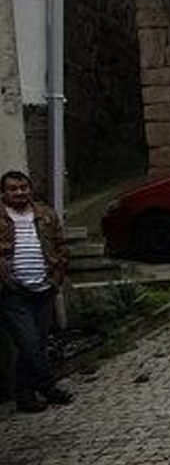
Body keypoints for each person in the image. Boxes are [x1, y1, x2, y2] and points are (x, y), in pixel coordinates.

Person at [1, 170, 71, 413]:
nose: (19, 192)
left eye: (23, 187)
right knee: (29, 342)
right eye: (13, 188)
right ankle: (48, 386)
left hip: (44, 289)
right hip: (13, 292)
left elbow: (61, 245)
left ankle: (25, 394)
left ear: (29, 189)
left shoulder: (45, 214)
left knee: (36, 345)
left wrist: (58, 276)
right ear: (4, 192)